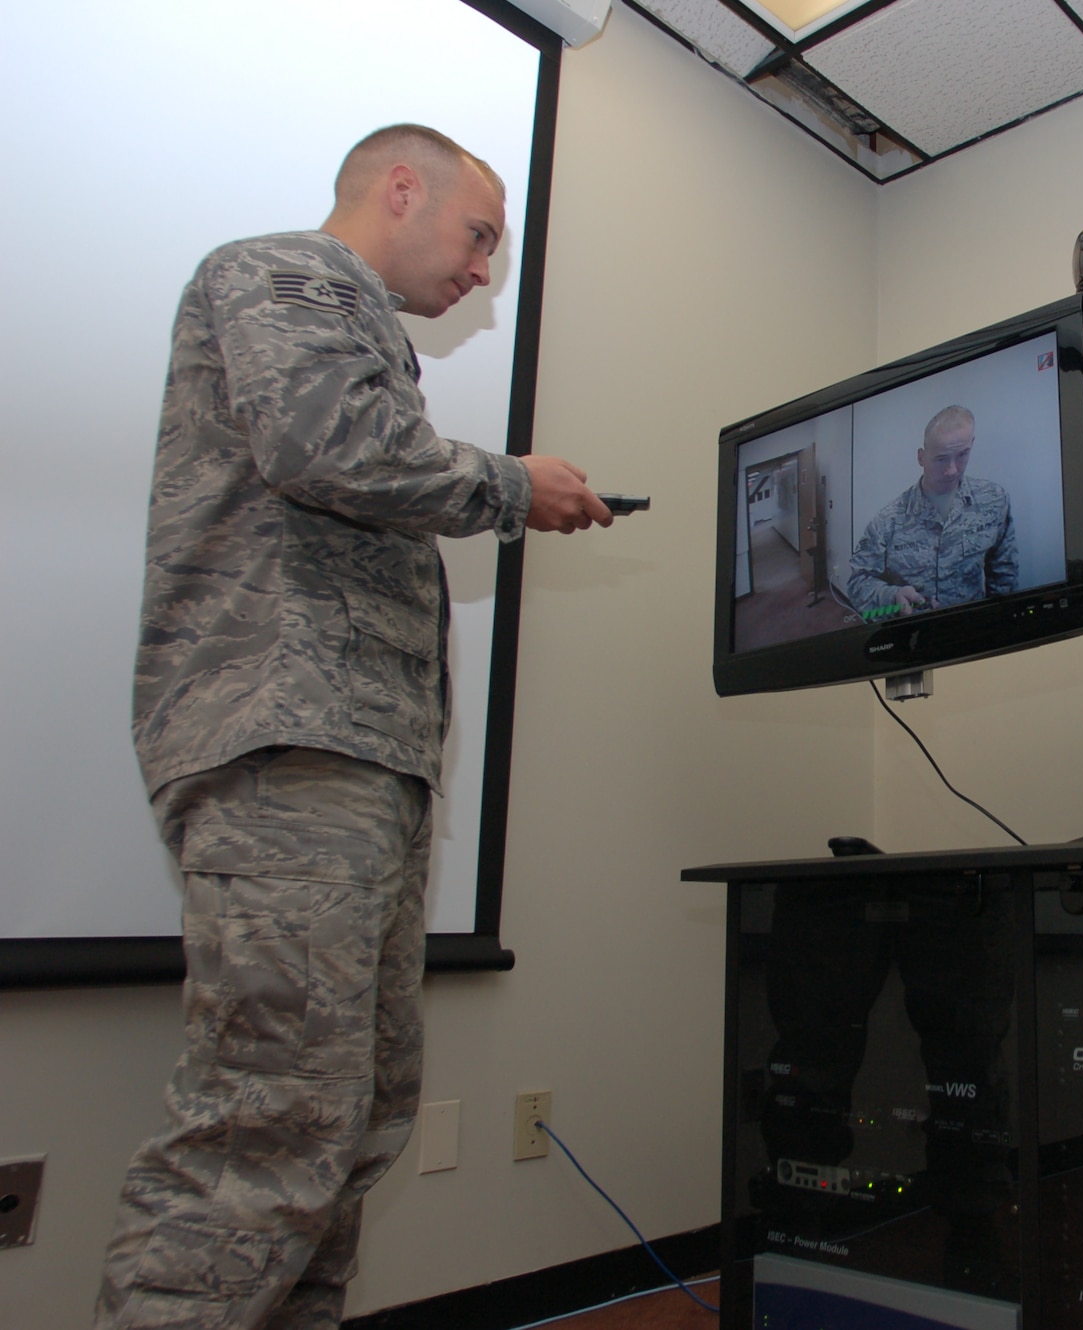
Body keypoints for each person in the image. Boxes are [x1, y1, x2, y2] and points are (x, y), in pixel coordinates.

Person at [98, 124, 613, 1330]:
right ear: (399, 188)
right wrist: (508, 484)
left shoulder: (360, 326)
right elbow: (320, 440)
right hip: (288, 748)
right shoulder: (280, 273)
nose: (485, 274)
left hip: (357, 765)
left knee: (352, 1118)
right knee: (271, 1122)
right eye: (480, 235)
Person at [846, 406, 1017, 617]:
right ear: (921, 457)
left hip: (976, 630)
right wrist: (892, 596)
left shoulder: (994, 501)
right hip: (913, 638)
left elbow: (1004, 573)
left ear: (972, 445)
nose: (952, 469)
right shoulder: (887, 521)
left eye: (962, 454)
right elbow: (857, 583)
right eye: (941, 458)